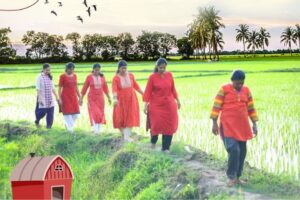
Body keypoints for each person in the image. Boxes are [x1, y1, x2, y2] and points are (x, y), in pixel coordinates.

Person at [210, 70, 258, 186]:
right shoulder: (224, 89)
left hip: (242, 127)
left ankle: (237, 177)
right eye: (237, 83)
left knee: (242, 152)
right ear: (232, 81)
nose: (240, 85)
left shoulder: (246, 91)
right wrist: (214, 123)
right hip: (228, 126)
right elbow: (216, 106)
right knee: (234, 150)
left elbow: (251, 108)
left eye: (242, 83)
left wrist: (255, 124)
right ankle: (231, 177)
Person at [143, 58, 181, 153]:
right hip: (156, 105)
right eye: (160, 68)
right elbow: (148, 92)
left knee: (169, 125)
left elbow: (173, 89)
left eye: (164, 68)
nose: (162, 70)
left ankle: (165, 148)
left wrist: (178, 100)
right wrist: (145, 105)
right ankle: (153, 142)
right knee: (156, 125)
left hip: (169, 104)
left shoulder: (169, 75)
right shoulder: (152, 77)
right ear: (157, 67)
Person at [112, 60, 143, 142]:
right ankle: (125, 135)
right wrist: (115, 99)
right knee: (120, 118)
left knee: (131, 117)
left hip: (131, 99)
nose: (124, 70)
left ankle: (126, 137)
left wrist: (143, 93)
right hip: (121, 101)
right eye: (122, 68)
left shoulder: (131, 75)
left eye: (125, 68)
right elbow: (114, 89)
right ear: (119, 69)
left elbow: (135, 85)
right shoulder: (116, 78)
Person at [80, 63, 111, 134]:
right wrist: (81, 98)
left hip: (100, 98)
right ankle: (95, 130)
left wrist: (109, 98)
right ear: (93, 70)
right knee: (94, 113)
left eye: (98, 70)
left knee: (100, 114)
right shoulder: (89, 77)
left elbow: (105, 88)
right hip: (92, 98)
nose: (97, 72)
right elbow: (84, 88)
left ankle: (98, 131)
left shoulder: (102, 77)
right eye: (96, 70)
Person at [58, 62, 81, 133]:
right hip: (65, 97)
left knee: (76, 114)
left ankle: (67, 125)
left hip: (73, 97)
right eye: (70, 69)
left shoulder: (75, 76)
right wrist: (59, 98)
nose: (72, 71)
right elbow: (59, 88)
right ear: (66, 69)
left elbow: (76, 87)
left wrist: (80, 97)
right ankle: (71, 131)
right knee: (67, 114)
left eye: (73, 69)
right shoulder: (62, 76)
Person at [35, 63, 59, 129]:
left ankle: (49, 127)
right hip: (42, 97)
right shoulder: (39, 76)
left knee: (50, 113)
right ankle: (37, 120)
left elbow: (53, 88)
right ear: (43, 69)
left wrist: (57, 97)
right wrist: (39, 98)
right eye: (46, 70)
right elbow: (38, 88)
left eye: (49, 70)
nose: (48, 71)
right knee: (42, 112)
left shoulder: (50, 77)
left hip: (50, 98)